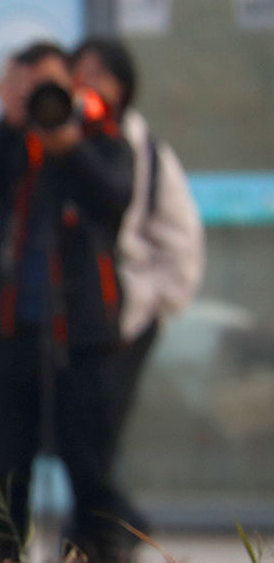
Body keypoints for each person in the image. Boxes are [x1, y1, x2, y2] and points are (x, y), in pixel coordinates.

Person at [0, 41, 146, 563]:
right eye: (31, 88)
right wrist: (10, 123)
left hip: (82, 332)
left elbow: (115, 196)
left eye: (51, 85)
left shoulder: (104, 140)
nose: (44, 99)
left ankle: (101, 557)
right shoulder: (13, 142)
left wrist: (68, 144)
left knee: (88, 452)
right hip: (11, 330)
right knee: (0, 451)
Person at [70, 37, 204, 461]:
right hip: (74, 313)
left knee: (99, 430)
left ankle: (109, 524)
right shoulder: (58, 141)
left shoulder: (145, 150)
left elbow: (181, 237)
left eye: (100, 75)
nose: (88, 85)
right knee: (78, 433)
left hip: (127, 315)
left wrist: (153, 301)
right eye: (80, 73)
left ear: (124, 86)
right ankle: (97, 523)